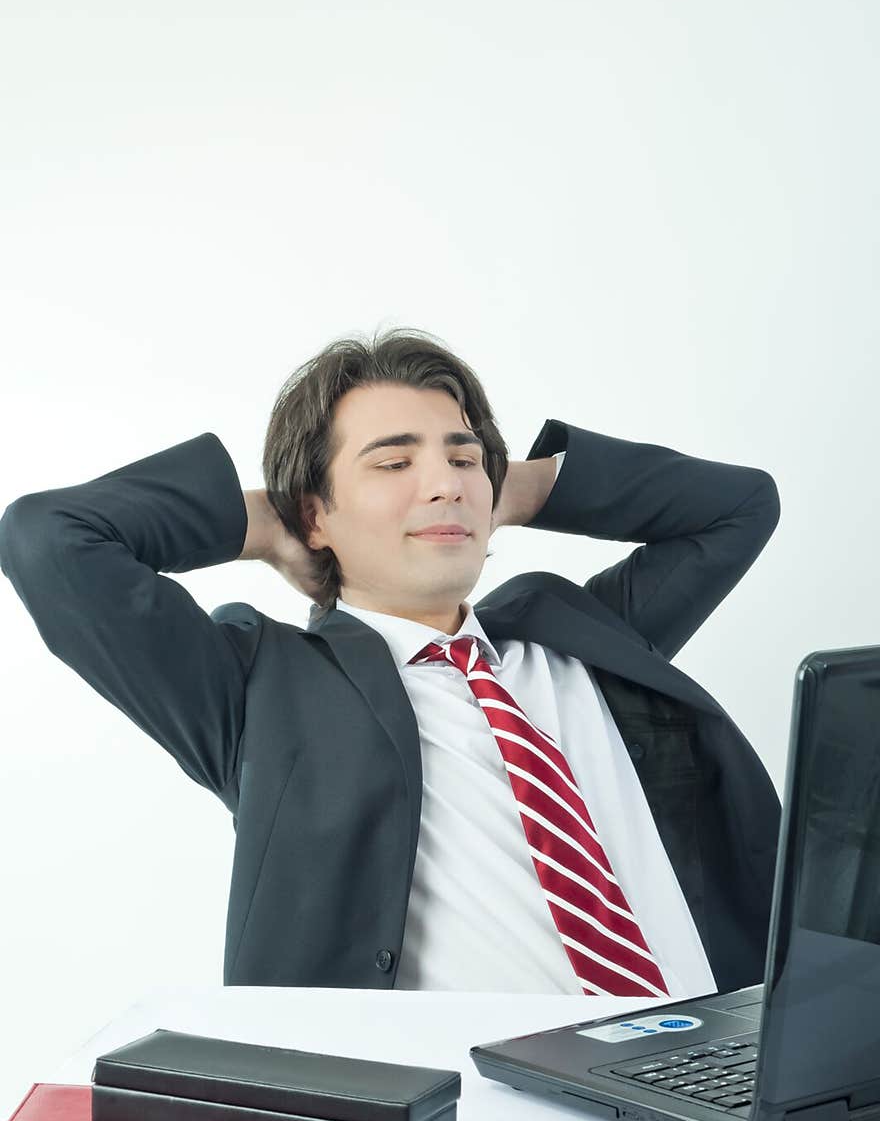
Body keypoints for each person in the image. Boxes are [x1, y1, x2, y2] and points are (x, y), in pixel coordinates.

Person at [0, 327, 781, 998]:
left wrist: (503, 483)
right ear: (316, 509)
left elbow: (741, 506)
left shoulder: (581, 632)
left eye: (462, 456)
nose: (443, 481)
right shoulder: (261, 688)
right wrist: (271, 527)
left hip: (715, 1084)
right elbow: (48, 540)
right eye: (393, 463)